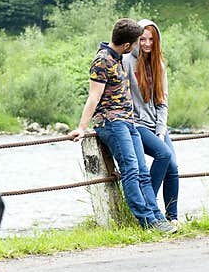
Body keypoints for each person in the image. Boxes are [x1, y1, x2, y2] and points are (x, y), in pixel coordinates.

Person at [69, 18, 177, 234]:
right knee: (130, 170)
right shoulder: (102, 61)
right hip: (112, 122)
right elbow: (93, 97)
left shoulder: (117, 58)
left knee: (142, 172)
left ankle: (157, 217)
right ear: (128, 45)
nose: (139, 46)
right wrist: (82, 127)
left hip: (128, 122)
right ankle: (147, 221)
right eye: (138, 42)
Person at [123, 18, 180, 224]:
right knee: (163, 154)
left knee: (172, 167)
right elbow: (124, 96)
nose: (147, 44)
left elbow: (162, 102)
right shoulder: (127, 61)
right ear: (136, 39)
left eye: (151, 40)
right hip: (137, 124)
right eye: (143, 39)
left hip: (156, 125)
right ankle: (149, 206)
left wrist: (161, 130)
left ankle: (172, 217)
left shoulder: (159, 65)